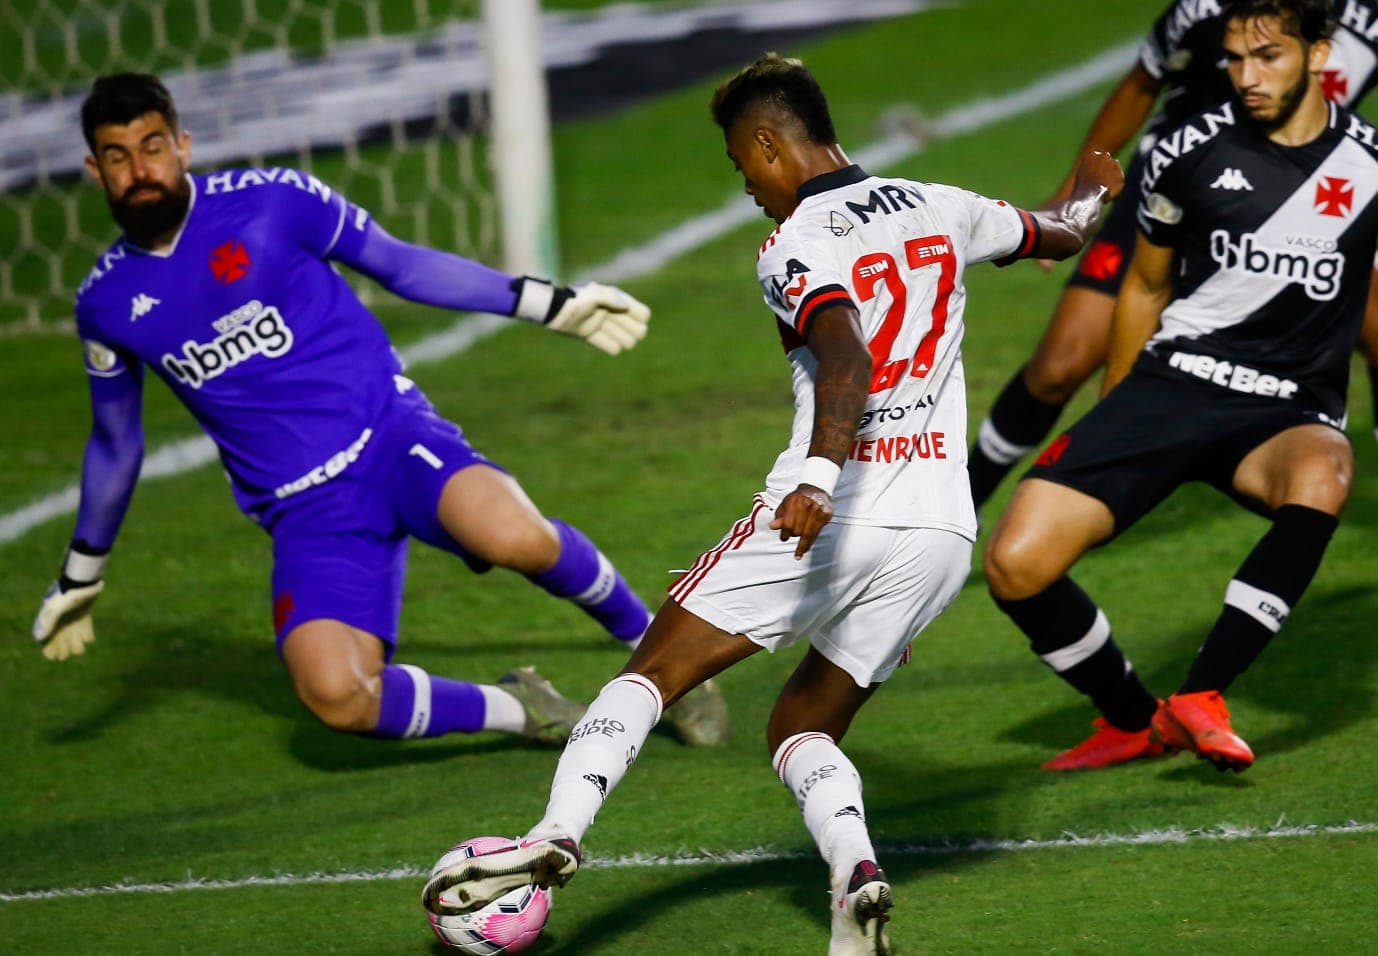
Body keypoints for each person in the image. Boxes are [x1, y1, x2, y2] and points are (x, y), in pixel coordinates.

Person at [421, 53, 1120, 954]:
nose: (747, 187)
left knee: (651, 674)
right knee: (802, 726)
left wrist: (820, 478)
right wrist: (1094, 185)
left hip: (832, 514)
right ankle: (855, 873)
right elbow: (1060, 232)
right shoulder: (937, 204)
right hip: (941, 528)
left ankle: (554, 834)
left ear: (766, 143)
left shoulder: (796, 245)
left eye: (740, 165)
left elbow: (846, 354)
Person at [30, 72, 728, 750]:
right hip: (305, 512)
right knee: (337, 696)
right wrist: (82, 573)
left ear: (182, 146)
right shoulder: (106, 303)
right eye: (118, 156)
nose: (140, 171)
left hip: (392, 439)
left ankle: (660, 655)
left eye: (152, 147)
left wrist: (548, 303)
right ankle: (524, 709)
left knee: (518, 538)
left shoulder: (273, 201)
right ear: (94, 171)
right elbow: (115, 442)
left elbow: (401, 265)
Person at [984, 0, 1378, 773]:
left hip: (1285, 407)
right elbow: (1145, 286)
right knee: (1015, 563)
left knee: (1325, 470)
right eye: (1234, 58)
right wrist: (1116, 407)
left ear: (1318, 54)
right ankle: (1134, 720)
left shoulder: (1368, 165)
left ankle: (1203, 694)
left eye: (1267, 57)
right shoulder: (1188, 147)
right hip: (1176, 380)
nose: (1245, 76)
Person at [967, 0, 1378, 512]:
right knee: (1059, 366)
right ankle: (962, 504)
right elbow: (1142, 83)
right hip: (1167, 200)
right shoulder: (1206, 10)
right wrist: (1074, 190)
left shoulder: (1367, 20)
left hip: (1300, 206)